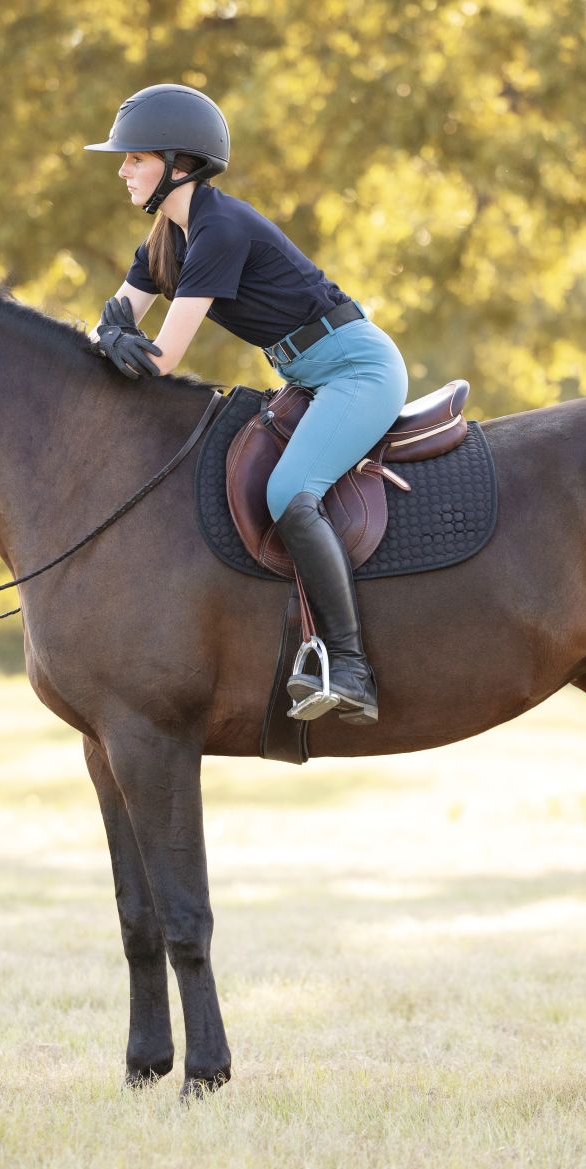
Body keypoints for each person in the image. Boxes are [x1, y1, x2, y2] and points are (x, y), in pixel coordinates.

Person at [85, 83, 409, 726]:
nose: (121, 169)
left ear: (179, 165)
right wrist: (108, 334)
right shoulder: (165, 240)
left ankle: (349, 669)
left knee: (290, 492)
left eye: (134, 158)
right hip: (309, 374)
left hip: (357, 370)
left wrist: (119, 337)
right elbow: (112, 322)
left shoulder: (220, 230)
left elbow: (162, 359)